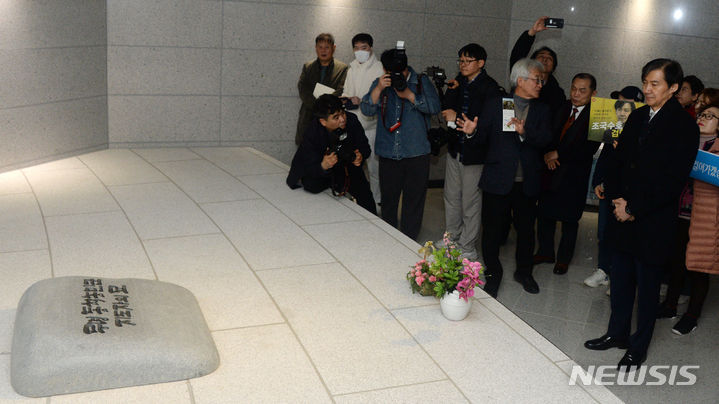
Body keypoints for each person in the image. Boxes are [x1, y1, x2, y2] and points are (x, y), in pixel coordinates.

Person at [584, 59, 699, 371]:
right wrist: (613, 192)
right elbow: (620, 159)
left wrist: (634, 207)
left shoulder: (684, 125)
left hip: (652, 220)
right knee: (620, 282)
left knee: (647, 289)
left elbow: (672, 181)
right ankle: (616, 334)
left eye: (655, 84)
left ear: (673, 87)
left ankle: (638, 347)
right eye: (645, 82)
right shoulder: (635, 116)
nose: (647, 89)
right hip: (623, 213)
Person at [466, 58, 552, 297]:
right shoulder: (497, 104)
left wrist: (525, 133)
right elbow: (482, 139)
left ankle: (524, 272)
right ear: (521, 80)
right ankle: (493, 273)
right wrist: (472, 133)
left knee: (526, 232)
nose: (540, 84)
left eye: (541, 80)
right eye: (537, 79)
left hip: (527, 182)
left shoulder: (542, 109)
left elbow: (546, 140)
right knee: (492, 231)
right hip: (497, 179)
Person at [360, 47, 441, 240]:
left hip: (416, 153)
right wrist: (379, 88)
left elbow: (435, 107)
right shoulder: (380, 83)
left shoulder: (420, 82)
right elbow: (366, 109)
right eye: (391, 72)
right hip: (388, 152)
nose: (397, 76)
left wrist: (409, 95)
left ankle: (409, 240)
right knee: (388, 201)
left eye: (400, 72)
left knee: (414, 202)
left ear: (406, 68)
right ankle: (390, 240)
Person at [659, 101, 719, 335]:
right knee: (676, 261)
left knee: (699, 268)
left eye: (711, 116)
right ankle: (670, 305)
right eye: (702, 114)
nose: (703, 117)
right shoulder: (686, 141)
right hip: (679, 210)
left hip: (705, 216)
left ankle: (692, 315)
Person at [439, 43, 501, 259]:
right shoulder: (459, 83)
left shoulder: (491, 88)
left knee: (470, 202)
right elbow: (446, 110)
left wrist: (455, 117)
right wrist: (451, 91)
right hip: (456, 148)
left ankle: (468, 245)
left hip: (475, 154)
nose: (463, 65)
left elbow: (488, 122)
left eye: (468, 61)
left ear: (481, 63)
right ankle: (451, 238)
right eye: (461, 61)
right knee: (451, 196)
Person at [535, 73, 600, 275]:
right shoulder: (562, 107)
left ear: (593, 93)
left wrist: (559, 153)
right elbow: (548, 132)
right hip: (551, 170)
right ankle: (545, 251)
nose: (576, 94)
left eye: (582, 90)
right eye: (573, 88)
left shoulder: (598, 114)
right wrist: (548, 154)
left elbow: (590, 147)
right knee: (545, 213)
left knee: (570, 220)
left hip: (574, 174)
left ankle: (563, 259)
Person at [584, 87, 644, 291]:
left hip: (629, 192)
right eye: (618, 104)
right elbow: (604, 158)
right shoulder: (612, 127)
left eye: (625, 105)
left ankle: (620, 277)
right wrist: (597, 181)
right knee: (604, 231)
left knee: (625, 234)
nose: (620, 110)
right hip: (608, 186)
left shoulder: (644, 129)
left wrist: (626, 152)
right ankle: (603, 270)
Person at [286, 94, 376, 214]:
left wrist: (360, 156)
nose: (342, 119)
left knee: (364, 195)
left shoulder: (352, 120)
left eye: (343, 113)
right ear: (323, 121)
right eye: (336, 117)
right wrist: (323, 165)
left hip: (348, 166)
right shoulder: (312, 132)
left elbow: (365, 148)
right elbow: (308, 164)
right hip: (320, 168)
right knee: (312, 185)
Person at [341, 33, 385, 206]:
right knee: (354, 164)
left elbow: (382, 97)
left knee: (374, 166)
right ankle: (357, 196)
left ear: (371, 48)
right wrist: (346, 98)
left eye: (364, 48)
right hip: (354, 124)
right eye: (357, 48)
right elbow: (346, 90)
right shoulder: (352, 69)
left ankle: (377, 199)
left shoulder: (380, 69)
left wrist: (362, 100)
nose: (360, 52)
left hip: (372, 125)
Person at [296, 33, 348, 145]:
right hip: (309, 115)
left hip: (330, 116)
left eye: (327, 47)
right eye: (320, 47)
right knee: (307, 151)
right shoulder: (308, 66)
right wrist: (317, 106)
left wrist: (325, 107)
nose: (323, 50)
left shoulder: (342, 68)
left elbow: (341, 89)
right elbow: (302, 88)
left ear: (333, 48)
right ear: (315, 48)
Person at [509, 16, 566, 116]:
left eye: (549, 58)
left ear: (553, 67)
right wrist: (532, 32)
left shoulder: (557, 93)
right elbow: (517, 54)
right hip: (510, 119)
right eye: (541, 56)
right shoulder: (521, 75)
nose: (545, 60)